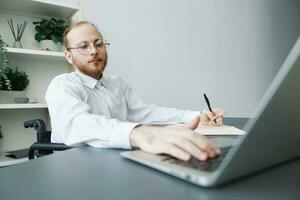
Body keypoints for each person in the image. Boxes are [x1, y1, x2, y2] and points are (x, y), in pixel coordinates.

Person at [45, 21, 225, 162]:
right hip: (72, 166)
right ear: (69, 56)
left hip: (117, 160)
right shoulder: (62, 85)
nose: (93, 51)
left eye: (98, 44)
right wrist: (138, 133)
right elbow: (77, 124)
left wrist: (195, 116)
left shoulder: (118, 83)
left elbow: (148, 113)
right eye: (83, 46)